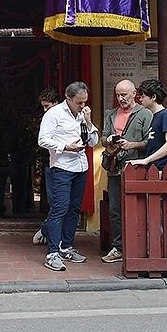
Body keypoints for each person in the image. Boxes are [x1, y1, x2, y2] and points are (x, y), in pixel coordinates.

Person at [36, 81, 99, 272]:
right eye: (79, 102)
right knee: (60, 208)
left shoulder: (82, 115)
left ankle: (67, 246)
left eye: (85, 102)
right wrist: (65, 147)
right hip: (62, 166)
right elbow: (42, 140)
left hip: (81, 166)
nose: (82, 106)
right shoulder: (53, 114)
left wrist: (88, 121)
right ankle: (52, 252)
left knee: (74, 208)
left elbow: (94, 141)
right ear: (68, 99)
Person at [101, 80, 153, 264]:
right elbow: (103, 138)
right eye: (118, 95)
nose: (121, 98)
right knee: (115, 209)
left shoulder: (145, 114)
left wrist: (132, 144)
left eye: (124, 94)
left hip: (136, 167)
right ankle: (119, 246)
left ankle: (139, 246)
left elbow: (150, 142)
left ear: (134, 93)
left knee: (139, 207)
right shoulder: (111, 114)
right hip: (115, 167)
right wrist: (110, 141)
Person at [127, 79, 167, 172]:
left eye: (143, 96)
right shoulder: (155, 116)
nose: (140, 99)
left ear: (153, 97)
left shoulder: (165, 115)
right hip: (153, 168)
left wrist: (147, 160)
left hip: (162, 168)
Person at [32, 87, 60, 246]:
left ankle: (47, 230)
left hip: (64, 164)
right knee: (54, 200)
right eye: (43, 106)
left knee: (62, 202)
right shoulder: (46, 119)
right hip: (50, 164)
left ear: (57, 103)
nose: (45, 110)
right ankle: (49, 231)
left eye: (47, 106)